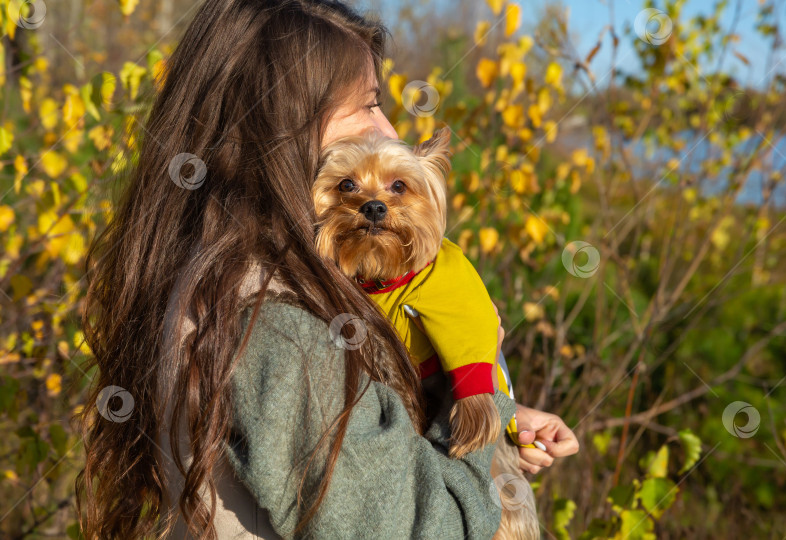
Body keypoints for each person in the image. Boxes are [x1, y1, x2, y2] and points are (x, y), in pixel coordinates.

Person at [75, 1, 579, 538]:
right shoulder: (276, 323)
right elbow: (429, 528)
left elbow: (355, 454)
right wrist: (478, 411)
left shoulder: (229, 272)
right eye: (368, 105)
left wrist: (472, 406)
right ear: (284, 122)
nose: (389, 130)